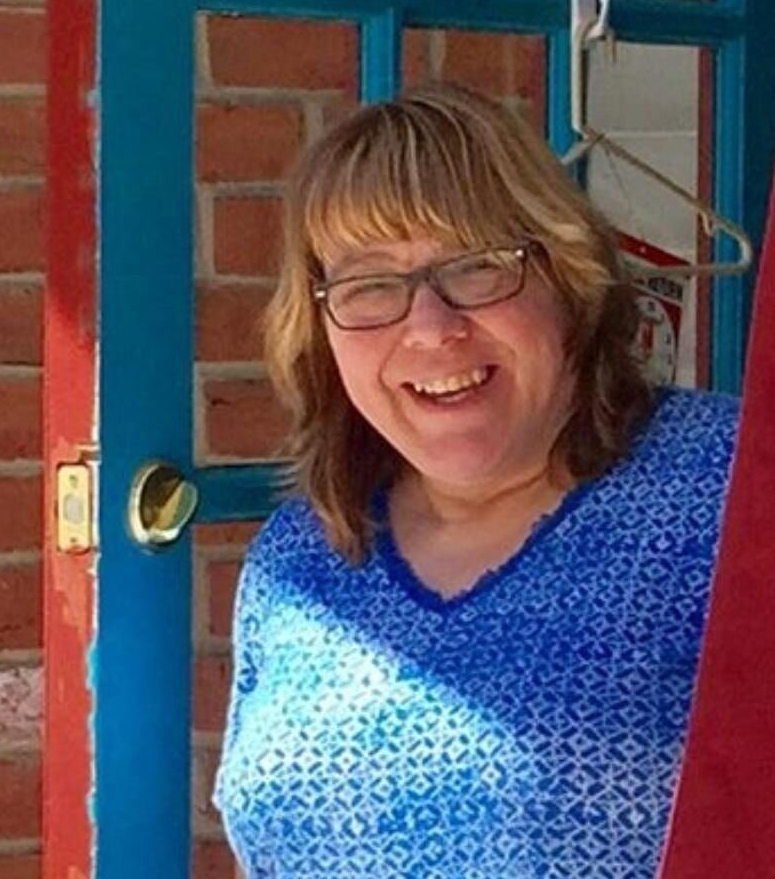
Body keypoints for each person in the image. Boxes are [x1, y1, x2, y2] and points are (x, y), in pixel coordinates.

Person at [212, 84, 740, 877]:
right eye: (368, 285)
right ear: (318, 327)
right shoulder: (300, 556)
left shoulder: (724, 488)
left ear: (568, 278)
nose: (430, 327)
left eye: (479, 266)